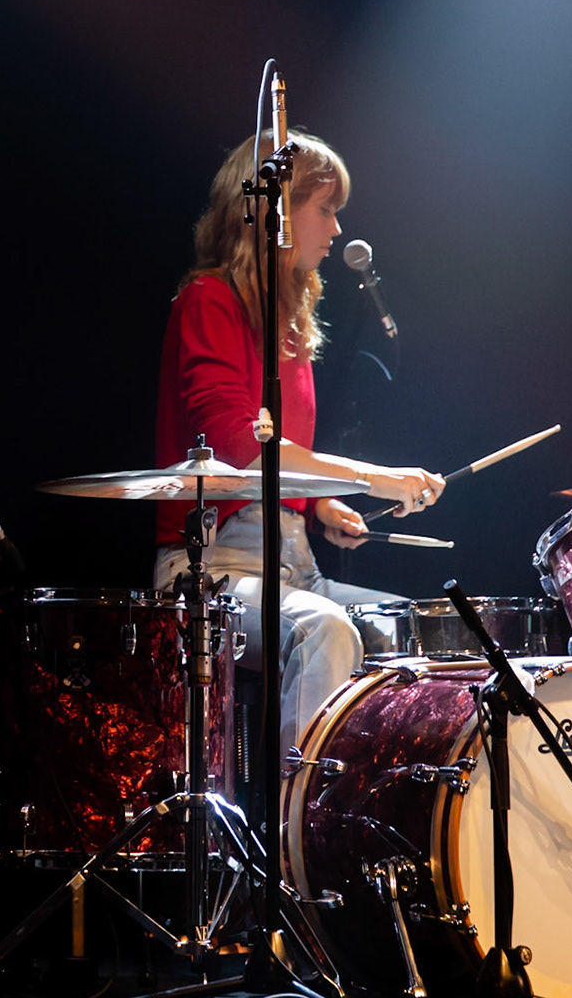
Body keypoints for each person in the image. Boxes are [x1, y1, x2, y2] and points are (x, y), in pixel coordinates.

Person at [154, 131, 444, 760]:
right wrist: (375, 479)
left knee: (420, 630)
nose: (337, 230)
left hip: (295, 563)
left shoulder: (289, 324)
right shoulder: (208, 302)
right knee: (323, 628)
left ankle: (389, 815)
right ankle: (301, 830)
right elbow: (246, 451)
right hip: (209, 570)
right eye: (326, 208)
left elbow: (283, 467)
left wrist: (317, 508)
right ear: (274, 211)